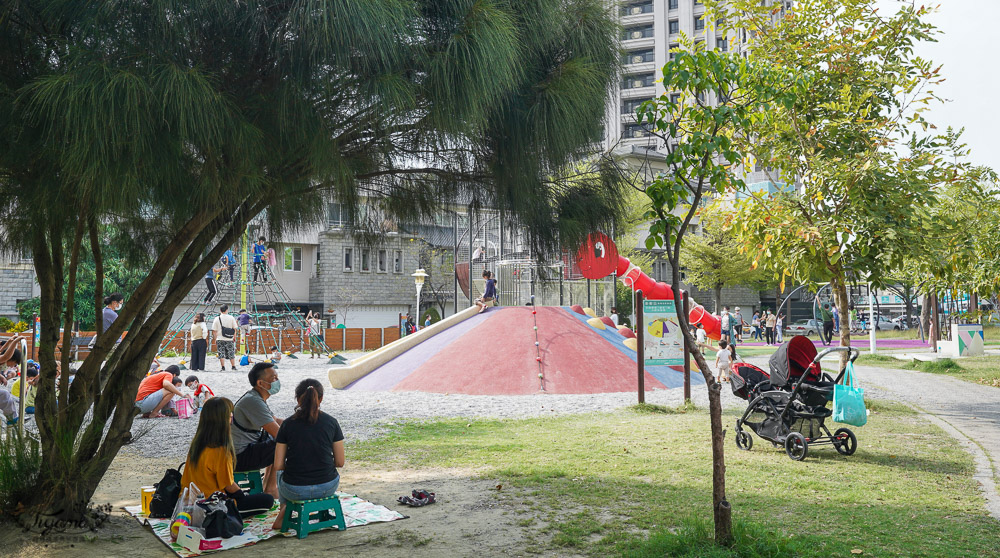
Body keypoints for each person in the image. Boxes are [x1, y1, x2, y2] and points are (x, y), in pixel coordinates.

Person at [180, 397, 275, 518]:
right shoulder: (220, 450)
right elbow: (228, 484)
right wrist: (242, 497)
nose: (232, 416)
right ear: (224, 420)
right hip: (212, 505)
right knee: (267, 500)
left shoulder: (197, 444)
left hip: (188, 501)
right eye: (230, 413)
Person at [270, 379, 345, 530]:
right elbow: (340, 462)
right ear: (321, 398)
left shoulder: (287, 424)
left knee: (280, 473)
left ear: (297, 399)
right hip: (327, 487)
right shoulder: (332, 422)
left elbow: (278, 464)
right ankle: (287, 511)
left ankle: (284, 511)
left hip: (294, 490)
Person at [232, 363, 283, 499]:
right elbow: (279, 434)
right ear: (261, 383)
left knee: (276, 442)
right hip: (238, 458)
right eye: (273, 378)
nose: (277, 381)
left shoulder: (256, 398)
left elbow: (276, 421)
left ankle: (268, 486)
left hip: (244, 452)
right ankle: (271, 489)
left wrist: (300, 422)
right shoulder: (253, 401)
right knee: (281, 444)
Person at [213, 305, 239, 371]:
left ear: (220, 310)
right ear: (227, 310)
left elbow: (214, 330)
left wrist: (215, 338)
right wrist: (234, 337)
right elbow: (234, 329)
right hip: (229, 338)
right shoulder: (231, 317)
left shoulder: (217, 318)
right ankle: (233, 366)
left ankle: (223, 367)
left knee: (221, 353)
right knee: (231, 352)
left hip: (220, 338)